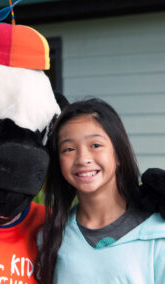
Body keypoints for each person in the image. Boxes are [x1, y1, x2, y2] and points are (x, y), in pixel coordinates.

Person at [37, 98, 165, 284]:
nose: (82, 158)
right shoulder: (50, 238)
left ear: (119, 153)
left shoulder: (157, 234)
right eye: (69, 149)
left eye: (95, 145)